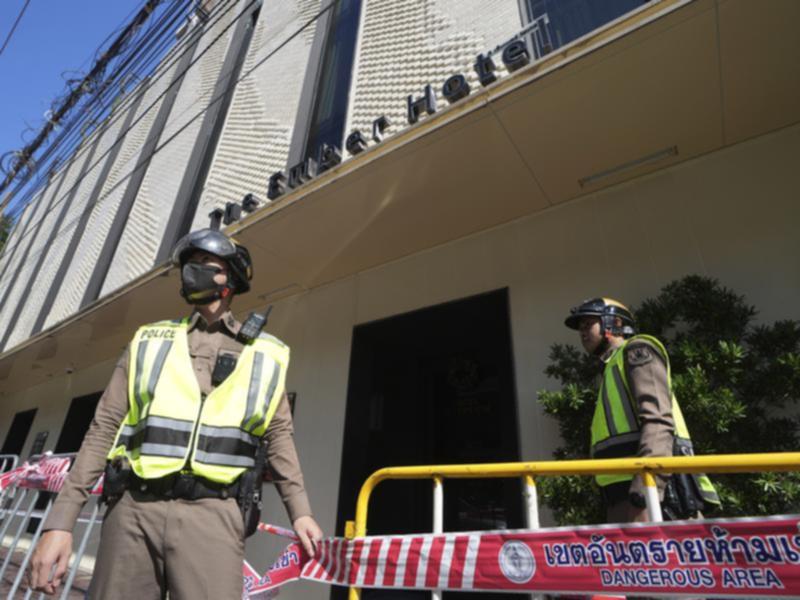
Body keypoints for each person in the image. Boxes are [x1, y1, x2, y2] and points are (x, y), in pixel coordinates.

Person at [30, 229, 323, 599]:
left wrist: (301, 511)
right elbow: (103, 428)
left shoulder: (266, 353)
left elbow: (279, 436)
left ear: (230, 278)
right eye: (189, 265)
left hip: (215, 514)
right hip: (133, 511)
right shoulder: (149, 340)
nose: (192, 272)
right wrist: (61, 522)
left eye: (206, 265)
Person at [565, 297, 719, 523]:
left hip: (656, 495)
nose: (582, 332)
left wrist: (646, 492)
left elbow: (658, 421)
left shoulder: (637, 351)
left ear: (613, 324)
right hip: (622, 496)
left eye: (588, 324)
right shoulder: (610, 369)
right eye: (580, 328)